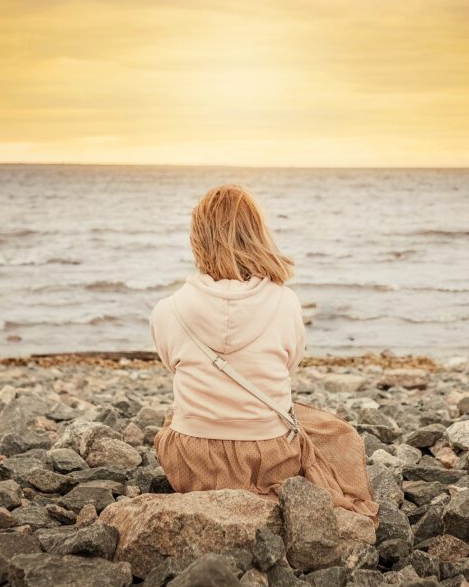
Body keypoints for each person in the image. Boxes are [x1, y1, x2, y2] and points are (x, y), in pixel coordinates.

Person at [149, 183, 379, 523]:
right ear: (257, 233)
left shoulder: (168, 309)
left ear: (198, 239)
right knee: (328, 430)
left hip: (192, 462)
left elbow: (173, 365)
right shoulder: (285, 302)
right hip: (270, 458)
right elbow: (290, 363)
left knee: (175, 415)